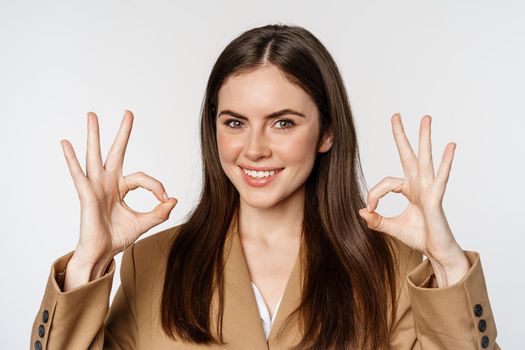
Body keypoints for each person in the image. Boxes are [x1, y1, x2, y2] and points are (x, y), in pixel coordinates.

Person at [30, 24, 499, 350]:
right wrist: (89, 259)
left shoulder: (391, 267)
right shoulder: (151, 263)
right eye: (235, 122)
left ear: (327, 132)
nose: (253, 148)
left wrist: (446, 261)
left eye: (282, 123)